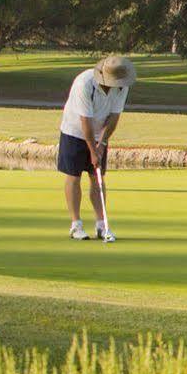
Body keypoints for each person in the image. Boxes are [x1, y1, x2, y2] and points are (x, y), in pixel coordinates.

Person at [58, 54, 136, 241]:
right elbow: (85, 122)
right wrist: (93, 151)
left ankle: (101, 225)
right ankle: (76, 225)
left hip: (100, 131)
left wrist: (101, 144)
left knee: (97, 176)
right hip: (74, 131)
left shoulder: (121, 86)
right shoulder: (84, 83)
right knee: (74, 176)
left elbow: (114, 117)